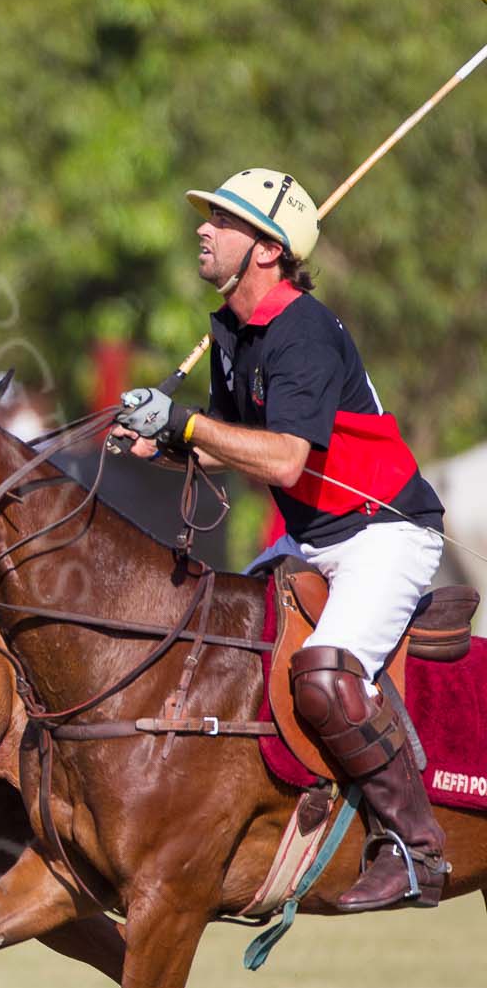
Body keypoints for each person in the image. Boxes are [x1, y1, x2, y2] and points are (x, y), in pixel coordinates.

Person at [110, 168, 449, 910]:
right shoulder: (229, 328)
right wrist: (162, 440)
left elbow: (286, 456)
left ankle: (418, 848)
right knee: (208, 637)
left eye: (223, 222)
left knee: (327, 676)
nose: (203, 228)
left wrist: (186, 424)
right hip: (310, 536)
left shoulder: (304, 332)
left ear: (267, 250)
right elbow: (233, 445)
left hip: (380, 533)